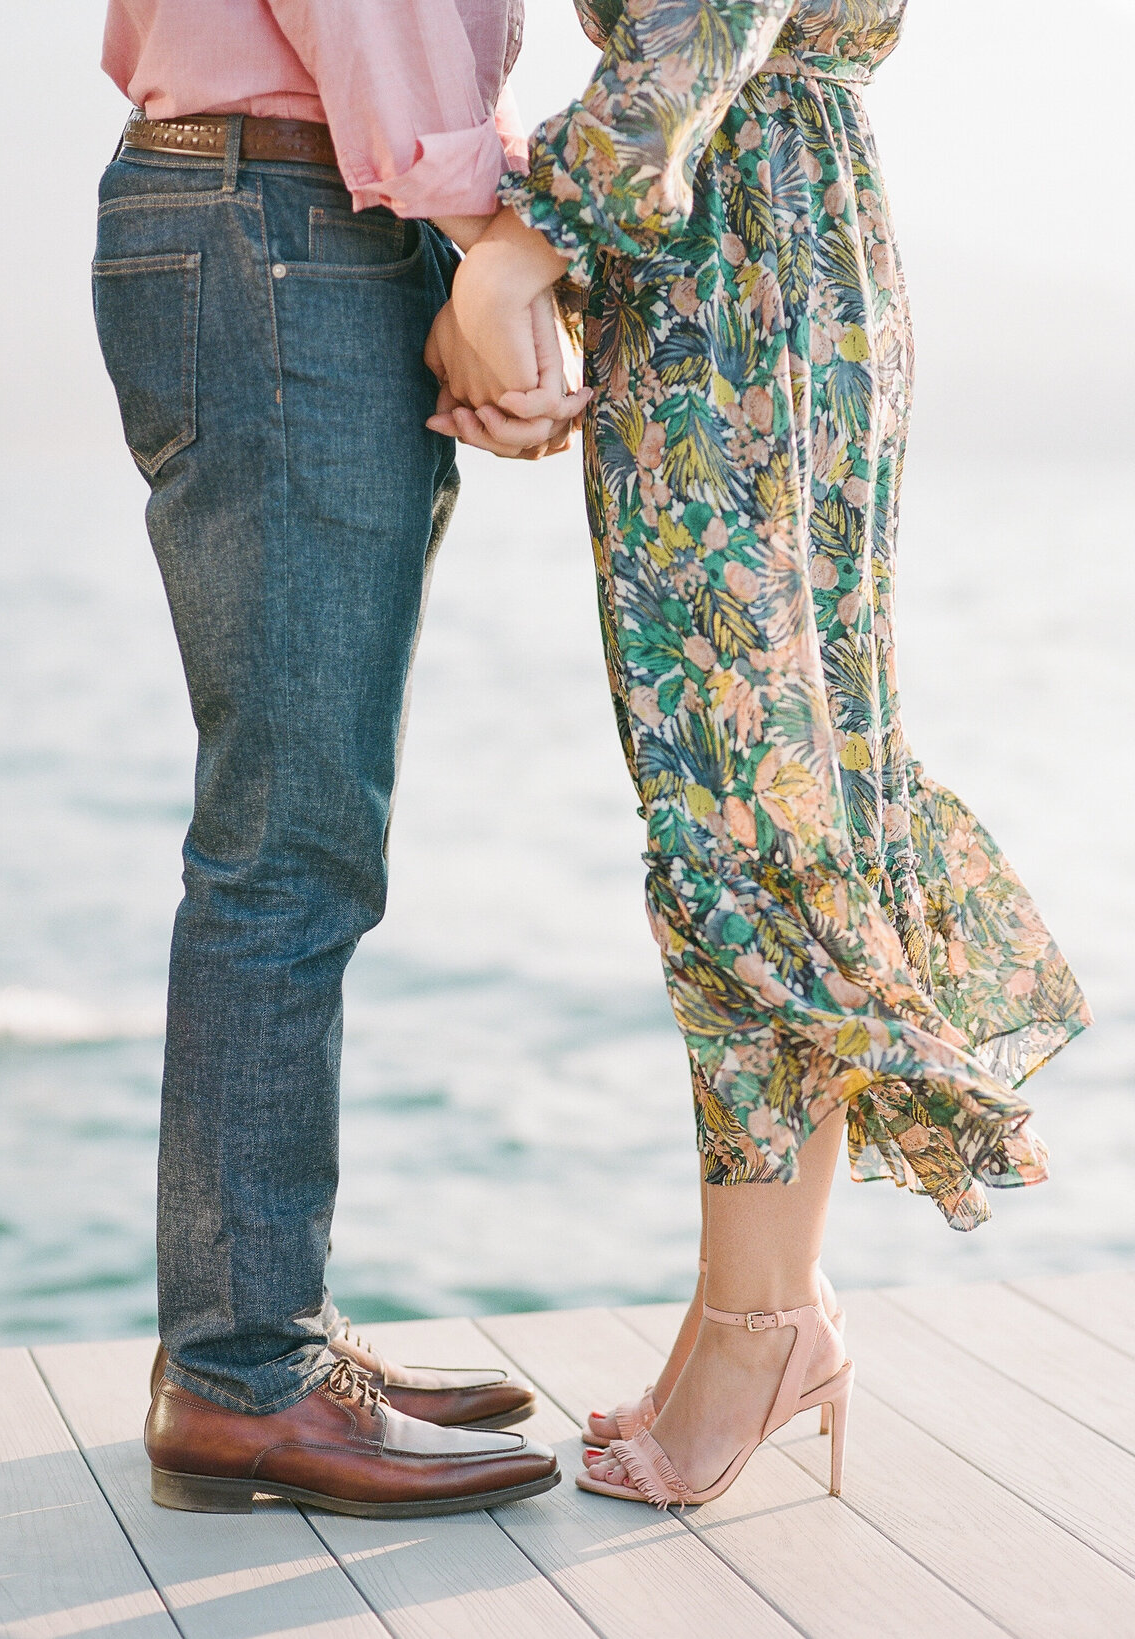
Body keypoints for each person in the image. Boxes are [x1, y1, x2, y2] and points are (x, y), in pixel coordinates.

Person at [428, 0, 1092, 1507]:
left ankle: (765, 1321)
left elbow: (695, 31)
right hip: (759, 240)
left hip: (745, 264)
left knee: (746, 800)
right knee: (766, 788)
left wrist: (515, 261)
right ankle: (757, 1304)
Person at [92, 0, 585, 1517]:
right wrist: (487, 241)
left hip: (285, 207)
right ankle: (245, 1375)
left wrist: (458, 251)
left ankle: (261, 1334)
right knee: (290, 840)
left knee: (299, 828)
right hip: (292, 217)